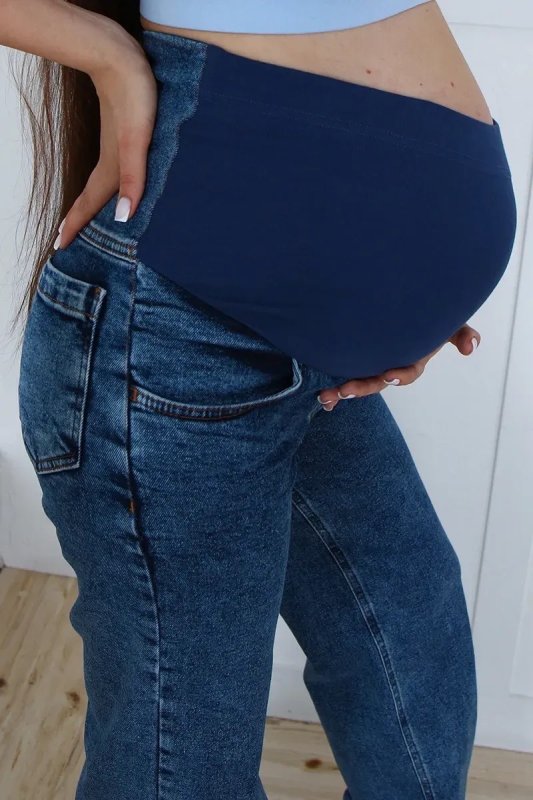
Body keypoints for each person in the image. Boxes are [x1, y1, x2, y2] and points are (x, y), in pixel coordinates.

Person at [4, 2, 517, 799]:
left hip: (304, 345)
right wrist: (103, 50)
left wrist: (395, 283)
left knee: (407, 625)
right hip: (177, 333)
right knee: (185, 752)